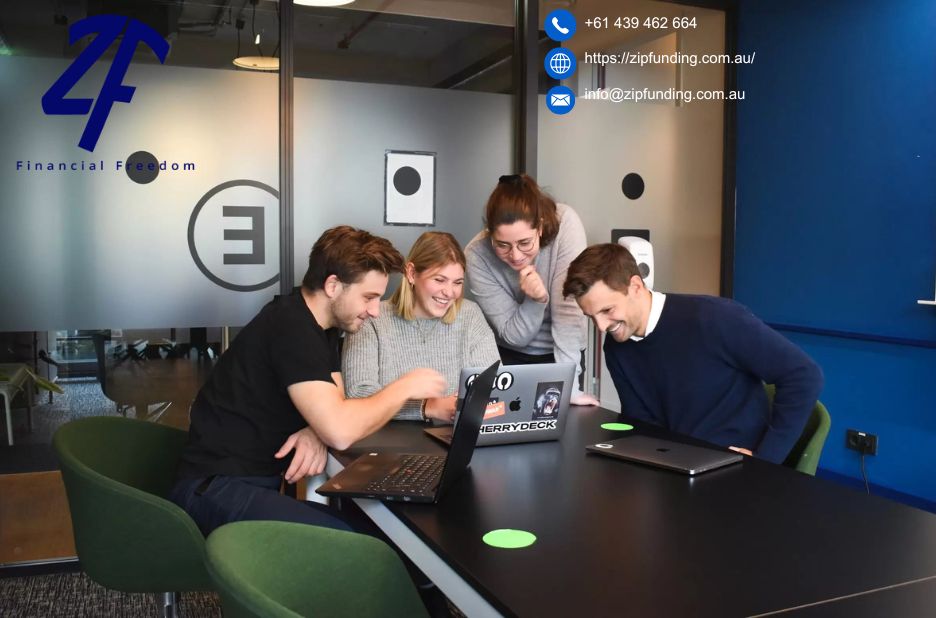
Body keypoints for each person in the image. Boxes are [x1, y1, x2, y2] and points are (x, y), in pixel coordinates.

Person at [170, 226, 447, 536]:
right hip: (214, 491)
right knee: (364, 543)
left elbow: (337, 404)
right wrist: (404, 387)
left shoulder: (318, 324)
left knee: (373, 532)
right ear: (333, 285)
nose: (374, 311)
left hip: (242, 485)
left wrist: (317, 428)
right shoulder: (291, 327)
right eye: (368, 297)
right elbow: (341, 432)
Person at [562, 243, 823, 463]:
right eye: (591, 316)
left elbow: (803, 375)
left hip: (736, 468)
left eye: (607, 310)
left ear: (636, 287)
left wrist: (765, 459)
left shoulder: (715, 318)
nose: (601, 327)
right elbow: (642, 425)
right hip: (678, 467)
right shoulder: (617, 347)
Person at [465, 174, 598, 406]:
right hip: (510, 356)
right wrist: (536, 300)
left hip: (565, 354)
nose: (516, 256)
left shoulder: (565, 224)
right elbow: (514, 335)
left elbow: (568, 313)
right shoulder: (477, 255)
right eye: (502, 245)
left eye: (525, 243)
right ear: (490, 233)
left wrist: (569, 387)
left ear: (541, 227)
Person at [343, 231, 500, 423]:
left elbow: (496, 387)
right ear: (411, 273)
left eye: (457, 283)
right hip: (385, 436)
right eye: (439, 280)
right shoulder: (371, 318)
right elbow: (358, 395)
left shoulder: (470, 315)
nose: (449, 292)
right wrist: (427, 407)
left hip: (451, 434)